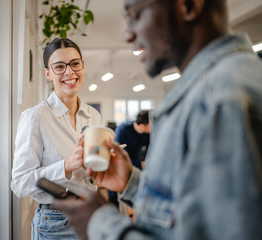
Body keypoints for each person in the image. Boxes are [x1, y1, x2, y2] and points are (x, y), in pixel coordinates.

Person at [52, 0, 262, 239]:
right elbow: (192, 219)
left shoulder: (221, 100)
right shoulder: (215, 89)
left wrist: (101, 223)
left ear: (189, 6)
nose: (128, 34)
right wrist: (132, 182)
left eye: (135, 16)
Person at [10, 38, 101, 239]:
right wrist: (66, 166)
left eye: (75, 63)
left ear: (83, 66)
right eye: (59, 67)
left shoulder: (93, 116)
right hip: (56, 223)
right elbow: (19, 183)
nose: (69, 72)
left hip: (93, 216)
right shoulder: (35, 116)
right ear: (47, 73)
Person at [108, 110, 150, 207]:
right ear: (143, 125)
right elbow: (117, 156)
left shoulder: (147, 133)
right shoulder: (123, 130)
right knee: (115, 200)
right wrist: (140, 164)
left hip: (136, 167)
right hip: (119, 167)